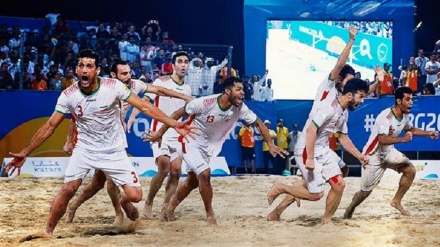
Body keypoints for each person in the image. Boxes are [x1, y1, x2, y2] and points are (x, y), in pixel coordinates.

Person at [4, 49, 195, 236]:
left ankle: (122, 204)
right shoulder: (69, 95)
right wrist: (26, 152)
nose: (85, 70)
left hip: (114, 150)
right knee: (70, 188)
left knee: (133, 194)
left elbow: (145, 105)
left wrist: (174, 123)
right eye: (81, 66)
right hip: (85, 149)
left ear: (97, 71)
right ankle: (47, 232)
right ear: (77, 69)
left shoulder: (117, 87)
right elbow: (51, 125)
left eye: (89, 66)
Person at [64, 55, 194, 223]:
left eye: (129, 72)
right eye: (124, 74)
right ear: (112, 75)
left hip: (115, 138)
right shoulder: (99, 88)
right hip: (93, 140)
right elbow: (75, 116)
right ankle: (119, 211)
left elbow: (157, 93)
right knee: (103, 181)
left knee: (101, 182)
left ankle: (80, 206)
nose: (128, 77)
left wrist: (183, 97)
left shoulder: (133, 85)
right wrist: (69, 140)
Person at [146, 76, 289, 225]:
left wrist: (270, 144)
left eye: (243, 90)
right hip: (189, 141)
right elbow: (178, 113)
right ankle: (210, 215)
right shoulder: (206, 102)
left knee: (193, 182)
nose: (242, 93)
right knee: (205, 173)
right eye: (238, 89)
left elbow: (258, 123)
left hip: (208, 147)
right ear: (227, 91)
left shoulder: (240, 107)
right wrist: (159, 134)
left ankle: (170, 206)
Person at [266, 78, 370, 225]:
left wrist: (359, 156)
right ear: (349, 95)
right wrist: (309, 158)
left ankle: (326, 220)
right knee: (316, 195)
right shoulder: (329, 107)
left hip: (322, 150)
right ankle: (281, 187)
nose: (363, 101)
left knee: (339, 184)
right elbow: (311, 130)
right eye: (361, 96)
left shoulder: (343, 112)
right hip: (306, 149)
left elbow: (343, 138)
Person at [344, 87, 439, 219]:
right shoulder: (386, 116)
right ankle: (350, 208)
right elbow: (381, 139)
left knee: (410, 170)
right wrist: (402, 139)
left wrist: (428, 133)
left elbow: (410, 128)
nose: (411, 102)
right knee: (365, 192)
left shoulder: (405, 115)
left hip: (389, 152)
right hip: (373, 155)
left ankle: (396, 201)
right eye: (407, 99)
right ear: (399, 101)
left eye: (412, 99)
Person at [126, 52, 193, 219]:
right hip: (159, 132)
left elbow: (186, 113)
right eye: (180, 62)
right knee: (164, 168)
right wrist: (133, 116)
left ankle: (166, 206)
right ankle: (149, 201)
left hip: (177, 135)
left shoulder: (187, 88)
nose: (183, 65)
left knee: (176, 171)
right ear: (173, 65)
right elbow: (144, 102)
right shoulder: (160, 82)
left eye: (186, 62)